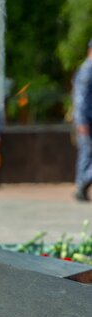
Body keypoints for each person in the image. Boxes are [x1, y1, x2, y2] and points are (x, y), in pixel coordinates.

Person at [72, 40, 92, 201]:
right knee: (87, 153)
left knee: (86, 155)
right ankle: (82, 185)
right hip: (87, 121)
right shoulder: (88, 71)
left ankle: (82, 187)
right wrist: (82, 122)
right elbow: (80, 99)